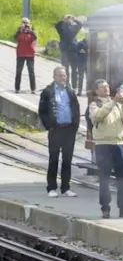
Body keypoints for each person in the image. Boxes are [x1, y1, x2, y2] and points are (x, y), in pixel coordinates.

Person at [88, 80, 123, 219]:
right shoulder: (95, 104)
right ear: (97, 91)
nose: (107, 89)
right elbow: (98, 116)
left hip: (119, 143)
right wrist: (114, 101)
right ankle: (105, 208)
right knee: (104, 178)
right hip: (103, 145)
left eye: (107, 86)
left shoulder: (117, 104)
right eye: (103, 87)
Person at [38, 67, 80, 198]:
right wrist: (49, 126)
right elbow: (42, 111)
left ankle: (66, 187)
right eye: (61, 75)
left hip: (69, 130)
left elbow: (76, 108)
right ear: (54, 77)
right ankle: (51, 187)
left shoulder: (70, 91)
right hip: (55, 129)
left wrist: (75, 125)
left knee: (67, 159)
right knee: (54, 159)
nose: (64, 78)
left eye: (65, 75)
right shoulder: (48, 92)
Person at [54, 15, 83, 83]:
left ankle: (74, 85)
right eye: (67, 19)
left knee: (74, 69)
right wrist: (63, 19)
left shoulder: (74, 27)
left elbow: (80, 24)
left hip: (73, 50)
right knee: (65, 69)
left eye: (69, 19)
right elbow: (57, 25)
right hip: (64, 50)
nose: (68, 20)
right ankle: (66, 84)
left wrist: (74, 19)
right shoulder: (61, 28)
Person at [14, 17, 37, 95]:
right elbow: (15, 38)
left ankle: (33, 89)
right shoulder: (19, 31)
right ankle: (17, 88)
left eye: (26, 23)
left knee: (31, 71)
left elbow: (35, 38)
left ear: (29, 23)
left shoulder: (32, 31)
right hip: (20, 54)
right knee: (18, 71)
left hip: (30, 54)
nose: (25, 24)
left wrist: (30, 31)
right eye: (23, 22)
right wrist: (19, 30)